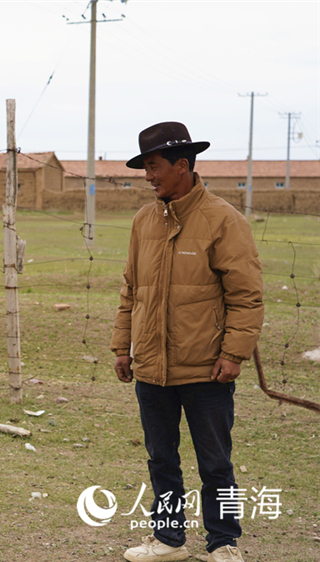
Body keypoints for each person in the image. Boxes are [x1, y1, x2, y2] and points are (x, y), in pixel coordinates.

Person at [111, 122, 264, 562]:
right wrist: (123, 347)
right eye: (144, 167)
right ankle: (168, 539)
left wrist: (234, 354)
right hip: (152, 369)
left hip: (206, 369)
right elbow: (130, 290)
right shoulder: (144, 220)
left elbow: (246, 296)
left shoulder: (223, 221)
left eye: (154, 166)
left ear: (182, 165)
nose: (148, 175)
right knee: (161, 460)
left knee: (215, 463)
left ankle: (224, 543)